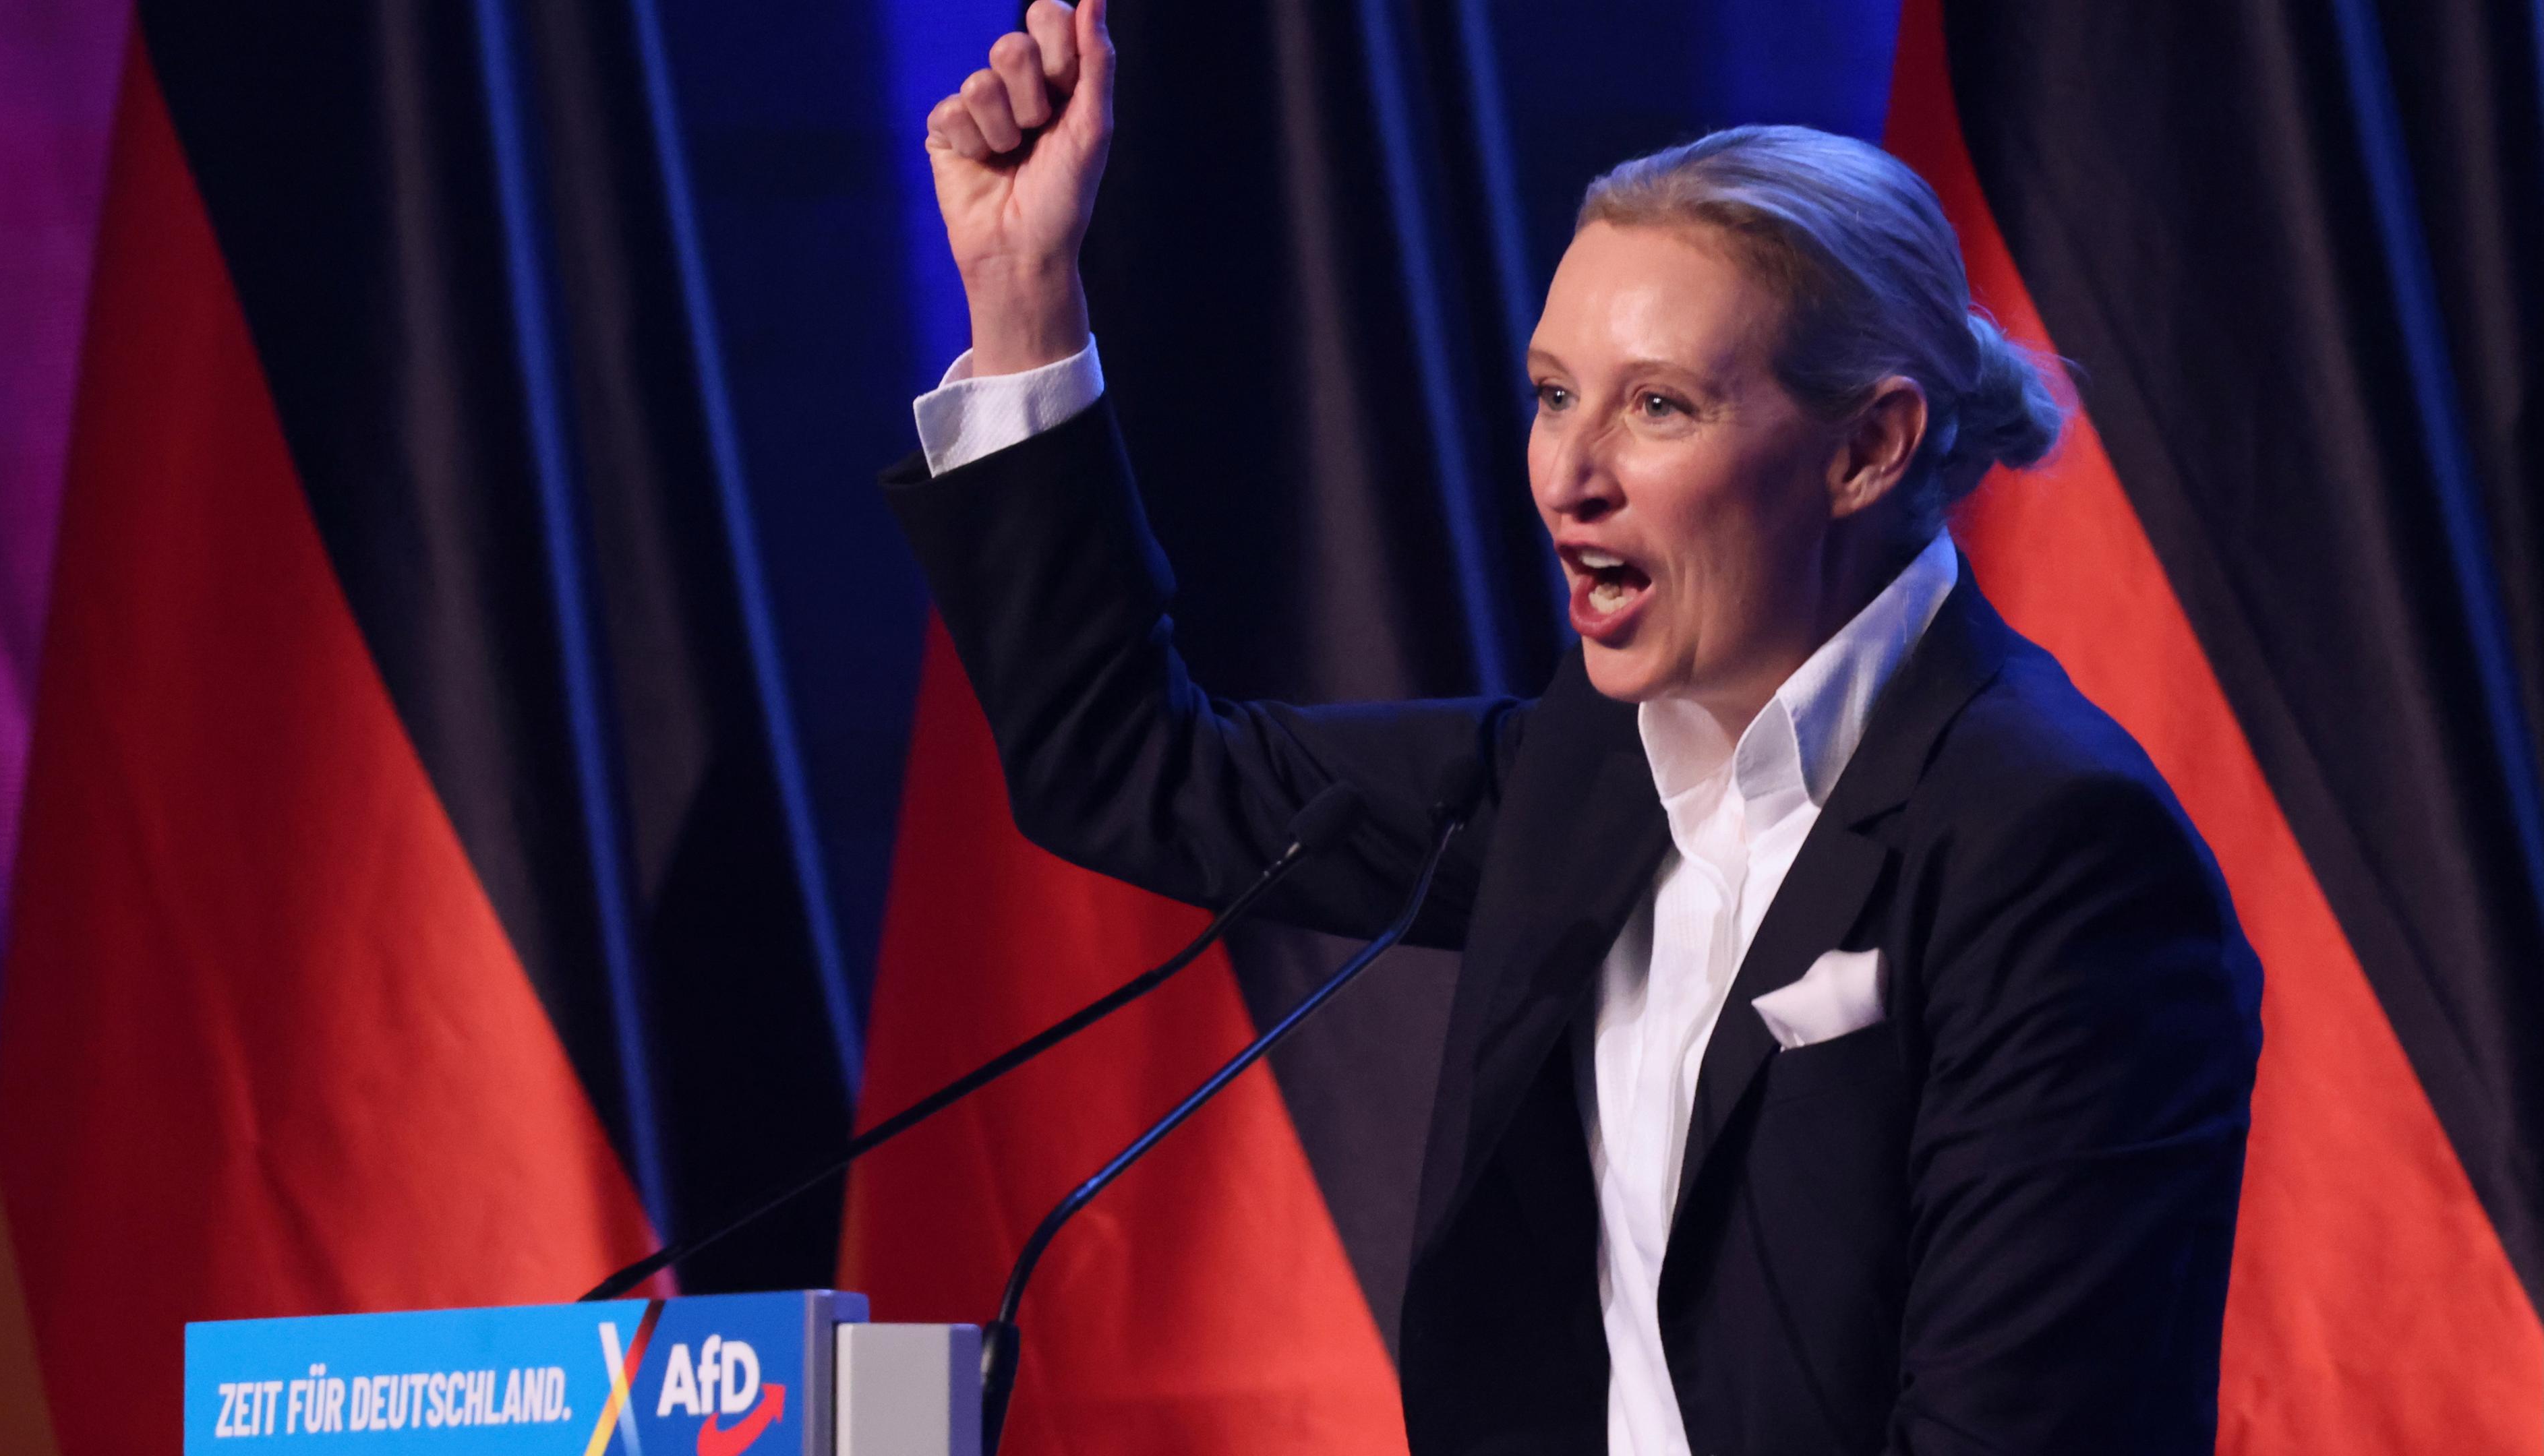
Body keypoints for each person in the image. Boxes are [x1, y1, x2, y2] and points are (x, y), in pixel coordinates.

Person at [887, 2, 2264, 1452]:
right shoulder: (1591, 768)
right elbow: (1135, 772)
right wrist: (1023, 294)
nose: (1569, 477)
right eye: (1554, 396)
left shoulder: (2053, 849)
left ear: (1868, 448)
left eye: (1657, 407)